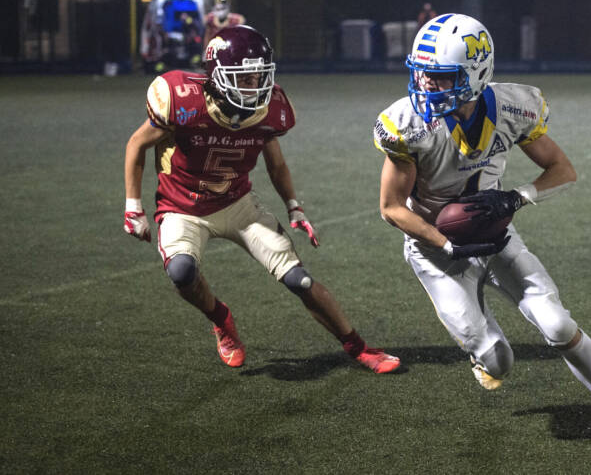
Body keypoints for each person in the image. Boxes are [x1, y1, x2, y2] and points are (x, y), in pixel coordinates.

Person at [374, 13, 591, 456]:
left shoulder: (512, 107)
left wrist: (515, 198)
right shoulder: (407, 123)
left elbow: (562, 170)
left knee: (558, 324)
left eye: (440, 76)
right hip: (435, 250)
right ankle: (484, 351)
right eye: (422, 73)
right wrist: (448, 243)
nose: (426, 85)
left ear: (475, 74)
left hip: (495, 236)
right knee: (499, 361)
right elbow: (390, 208)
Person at [124, 25, 400, 374]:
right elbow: (137, 143)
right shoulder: (182, 100)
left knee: (299, 279)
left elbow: (276, 164)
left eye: (258, 76)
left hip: (238, 205)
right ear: (217, 75)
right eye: (244, 77)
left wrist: (294, 206)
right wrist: (133, 206)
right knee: (181, 272)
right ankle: (221, 319)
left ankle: (359, 348)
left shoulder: (268, 110)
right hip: (183, 207)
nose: (254, 86)